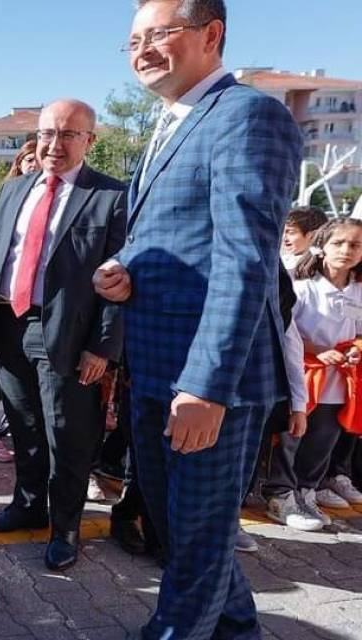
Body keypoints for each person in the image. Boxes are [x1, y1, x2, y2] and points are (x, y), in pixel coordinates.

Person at [93, 1, 303, 637]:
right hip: (155, 370)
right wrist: (125, 269)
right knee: (183, 535)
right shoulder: (171, 122)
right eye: (133, 39)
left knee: (198, 545)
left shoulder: (249, 116)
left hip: (210, 386)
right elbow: (184, 235)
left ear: (211, 35)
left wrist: (207, 387)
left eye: (159, 34)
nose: (142, 49)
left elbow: (246, 260)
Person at [0, 99, 127, 571]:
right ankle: (28, 506)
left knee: (67, 436)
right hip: (9, 325)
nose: (55, 144)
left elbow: (120, 279)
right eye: (47, 134)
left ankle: (66, 528)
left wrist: (103, 345)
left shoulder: (111, 196)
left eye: (69, 134)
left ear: (89, 140)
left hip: (70, 337)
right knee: (25, 428)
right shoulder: (13, 189)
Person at [264, 218, 362, 530]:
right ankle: (280, 493)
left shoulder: (358, 291)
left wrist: (355, 348)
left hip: (339, 382)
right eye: (339, 243)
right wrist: (316, 351)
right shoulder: (301, 286)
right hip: (304, 379)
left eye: (355, 245)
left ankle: (307, 490)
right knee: (293, 437)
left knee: (324, 440)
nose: (346, 250)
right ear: (321, 247)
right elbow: (286, 333)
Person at [282, 205, 329, 271]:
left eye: (291, 232)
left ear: (313, 235)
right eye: (282, 232)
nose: (284, 238)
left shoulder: (323, 265)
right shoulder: (282, 262)